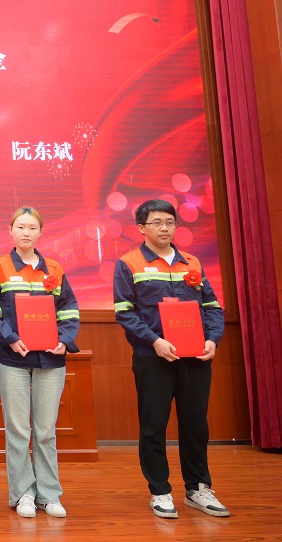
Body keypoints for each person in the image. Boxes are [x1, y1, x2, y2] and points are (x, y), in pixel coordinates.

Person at [113, 198, 229, 519]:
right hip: (153, 358)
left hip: (195, 357)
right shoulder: (129, 263)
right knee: (154, 425)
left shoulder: (192, 262)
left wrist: (212, 339)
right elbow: (125, 312)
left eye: (169, 222)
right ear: (141, 228)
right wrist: (155, 341)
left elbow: (212, 307)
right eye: (157, 223)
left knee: (196, 425)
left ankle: (198, 488)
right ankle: (160, 491)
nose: (164, 228)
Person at [0, 207, 80, 519]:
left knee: (46, 430)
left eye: (32, 227)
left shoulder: (55, 269)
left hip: (51, 358)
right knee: (18, 429)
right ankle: (23, 493)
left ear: (40, 232)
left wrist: (64, 339)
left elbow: (69, 308)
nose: (26, 232)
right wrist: (10, 338)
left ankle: (49, 494)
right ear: (10, 231)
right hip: (12, 358)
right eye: (20, 227)